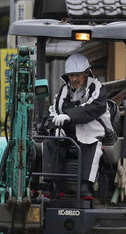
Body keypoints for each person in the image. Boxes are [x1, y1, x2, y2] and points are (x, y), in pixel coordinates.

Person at [48, 52, 114, 198]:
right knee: (51, 141)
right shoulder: (63, 90)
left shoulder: (97, 88)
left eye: (78, 75)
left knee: (91, 143)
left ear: (86, 73)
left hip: (93, 129)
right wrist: (54, 118)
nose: (74, 79)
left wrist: (69, 116)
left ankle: (85, 185)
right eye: (71, 75)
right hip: (70, 131)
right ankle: (53, 184)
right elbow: (54, 108)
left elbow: (92, 109)